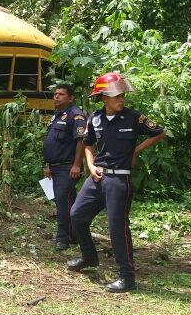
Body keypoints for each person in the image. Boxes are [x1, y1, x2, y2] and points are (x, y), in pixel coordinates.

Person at [67, 72, 167, 293]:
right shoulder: (94, 118)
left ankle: (127, 277)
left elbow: (159, 133)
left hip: (119, 180)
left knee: (117, 228)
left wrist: (135, 151)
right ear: (104, 98)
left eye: (123, 95)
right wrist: (90, 164)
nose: (121, 99)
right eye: (117, 96)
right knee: (76, 215)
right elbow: (87, 143)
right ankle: (89, 257)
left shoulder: (133, 117)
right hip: (97, 177)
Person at [42, 83, 87, 251]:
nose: (56, 96)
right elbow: (53, 143)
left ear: (71, 98)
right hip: (55, 167)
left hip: (67, 167)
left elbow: (81, 141)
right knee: (68, 202)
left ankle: (63, 238)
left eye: (61, 94)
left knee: (63, 204)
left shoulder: (76, 115)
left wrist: (77, 165)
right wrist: (48, 165)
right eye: (55, 94)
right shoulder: (57, 115)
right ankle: (76, 235)